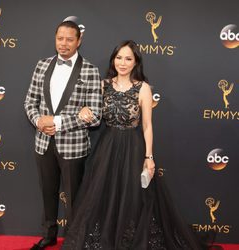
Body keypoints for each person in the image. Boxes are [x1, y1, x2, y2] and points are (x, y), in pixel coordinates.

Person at [61, 40, 215, 250]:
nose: (122, 63)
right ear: (113, 60)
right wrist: (83, 110)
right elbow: (89, 109)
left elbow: (147, 126)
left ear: (135, 62)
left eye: (128, 58)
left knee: (133, 197)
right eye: (119, 58)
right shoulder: (102, 84)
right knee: (103, 196)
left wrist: (149, 157)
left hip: (133, 148)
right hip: (107, 147)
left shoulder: (143, 89)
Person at [24, 20, 102, 250]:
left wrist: (56, 122)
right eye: (60, 38)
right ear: (55, 38)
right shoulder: (42, 65)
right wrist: (39, 120)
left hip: (74, 147)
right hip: (43, 143)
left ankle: (73, 239)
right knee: (47, 192)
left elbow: (95, 115)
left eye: (69, 39)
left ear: (79, 41)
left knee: (74, 198)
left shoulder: (90, 70)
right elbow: (30, 101)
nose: (63, 44)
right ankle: (48, 235)